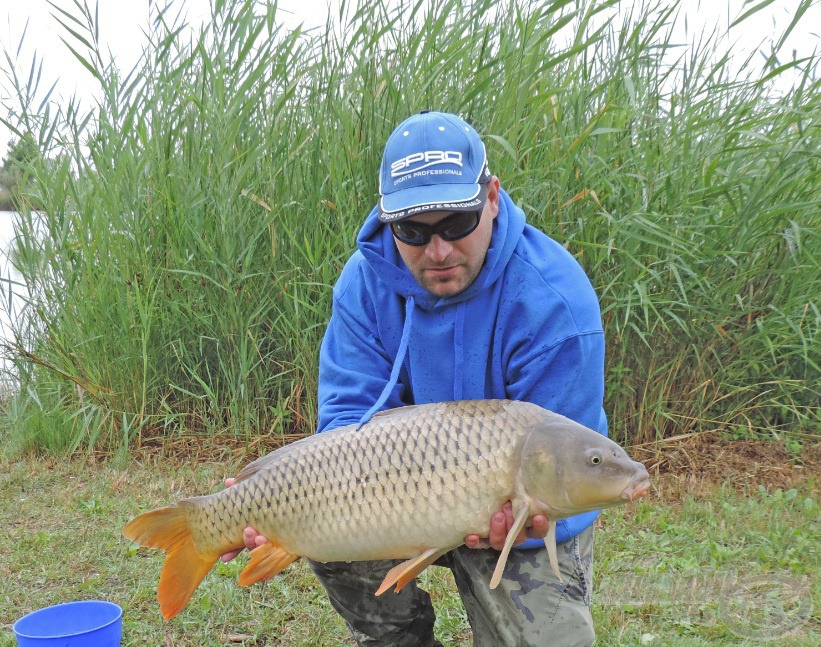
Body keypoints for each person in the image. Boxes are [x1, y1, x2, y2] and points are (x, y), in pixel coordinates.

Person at [224, 111, 607, 647]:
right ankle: (398, 638)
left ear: (491, 198)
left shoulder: (555, 303)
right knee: (315, 519)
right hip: (399, 495)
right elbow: (346, 429)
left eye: (457, 223)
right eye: (412, 231)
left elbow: (567, 466)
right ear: (387, 222)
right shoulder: (363, 285)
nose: (439, 250)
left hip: (508, 516)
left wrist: (534, 518)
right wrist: (275, 503)